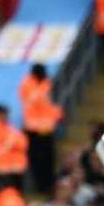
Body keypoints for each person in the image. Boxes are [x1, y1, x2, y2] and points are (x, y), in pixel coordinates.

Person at [18, 64, 63, 193]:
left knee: (49, 158)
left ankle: (50, 184)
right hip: (33, 130)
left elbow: (48, 105)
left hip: (47, 129)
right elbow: (36, 101)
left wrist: (58, 114)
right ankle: (42, 187)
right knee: (38, 161)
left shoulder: (45, 83)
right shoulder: (27, 85)